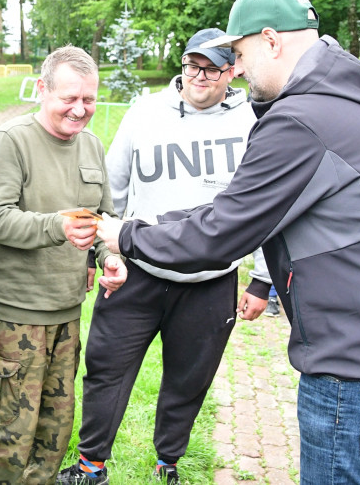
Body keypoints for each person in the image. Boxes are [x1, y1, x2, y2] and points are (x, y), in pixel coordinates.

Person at [97, 0, 360, 484]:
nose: (240, 68)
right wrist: (148, 225)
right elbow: (237, 210)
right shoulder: (346, 101)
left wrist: (126, 236)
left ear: (271, 40)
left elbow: (220, 235)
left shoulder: (303, 119)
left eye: (241, 53)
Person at [57, 28, 272, 485]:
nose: (199, 76)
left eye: (212, 68)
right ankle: (92, 464)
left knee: (189, 379)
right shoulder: (144, 113)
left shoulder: (251, 122)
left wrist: (262, 280)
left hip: (210, 280)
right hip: (137, 271)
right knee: (106, 371)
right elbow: (108, 191)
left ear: (232, 70)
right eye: (192, 65)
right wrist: (97, 255)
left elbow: (269, 207)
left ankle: (167, 461)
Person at [0, 46, 128, 485]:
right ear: (42, 90)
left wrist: (109, 258)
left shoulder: (93, 147)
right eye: (69, 99)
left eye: (89, 100)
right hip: (15, 316)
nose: (80, 110)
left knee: (53, 432)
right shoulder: (11, 141)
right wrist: (57, 225)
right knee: (8, 436)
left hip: (66, 312)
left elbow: (102, 219)